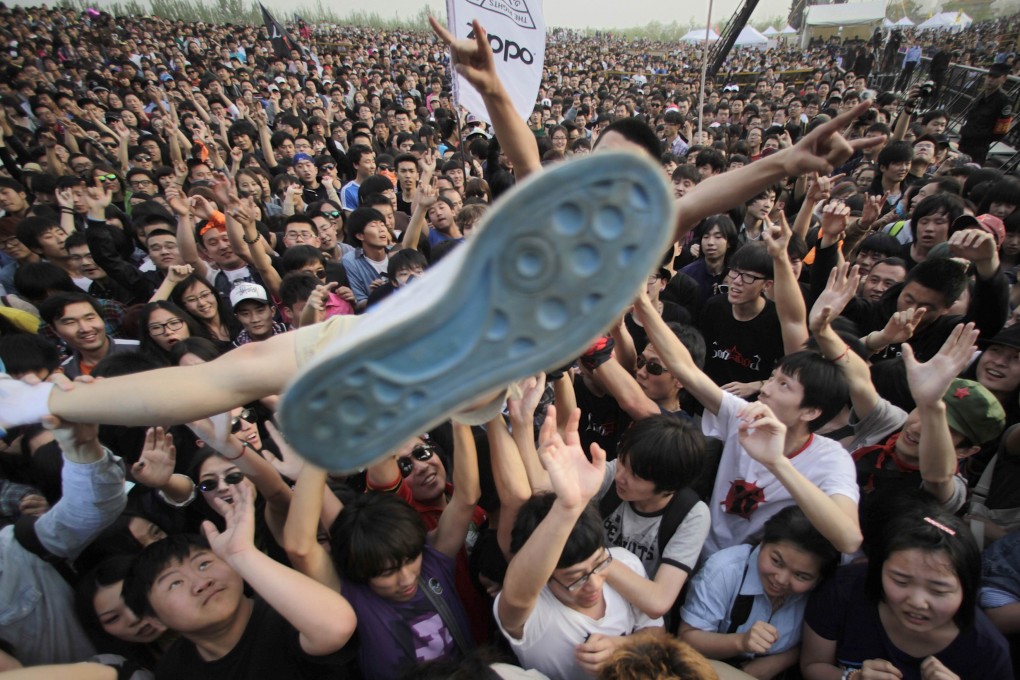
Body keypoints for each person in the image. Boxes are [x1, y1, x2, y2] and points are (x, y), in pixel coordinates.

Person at [121, 482, 358, 680]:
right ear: (153, 617)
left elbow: (337, 628)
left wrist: (243, 553)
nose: (201, 582)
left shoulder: (287, 611)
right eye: (174, 583)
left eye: (204, 564)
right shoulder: (173, 670)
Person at [494, 407, 664, 680]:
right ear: (545, 577)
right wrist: (568, 506)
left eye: (599, 565)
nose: (595, 584)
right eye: (574, 578)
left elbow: (655, 632)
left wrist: (625, 646)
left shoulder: (626, 561)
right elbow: (517, 594)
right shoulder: (533, 615)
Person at [800, 509, 1012, 680]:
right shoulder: (845, 589)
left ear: (967, 588)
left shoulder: (988, 651)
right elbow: (813, 665)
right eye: (900, 581)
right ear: (878, 569)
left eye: (938, 590)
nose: (917, 602)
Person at [680, 507, 840, 679]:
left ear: (819, 578)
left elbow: (814, 647)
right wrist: (740, 642)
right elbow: (687, 639)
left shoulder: (825, 593)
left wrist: (780, 661)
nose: (781, 579)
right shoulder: (724, 571)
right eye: (776, 561)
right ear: (763, 542)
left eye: (801, 576)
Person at [959, 63, 1013, 165]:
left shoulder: (1003, 100)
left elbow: (1001, 130)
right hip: (965, 140)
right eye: (989, 76)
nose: (990, 79)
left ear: (1004, 79)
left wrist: (984, 138)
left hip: (979, 145)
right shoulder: (982, 95)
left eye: (995, 77)